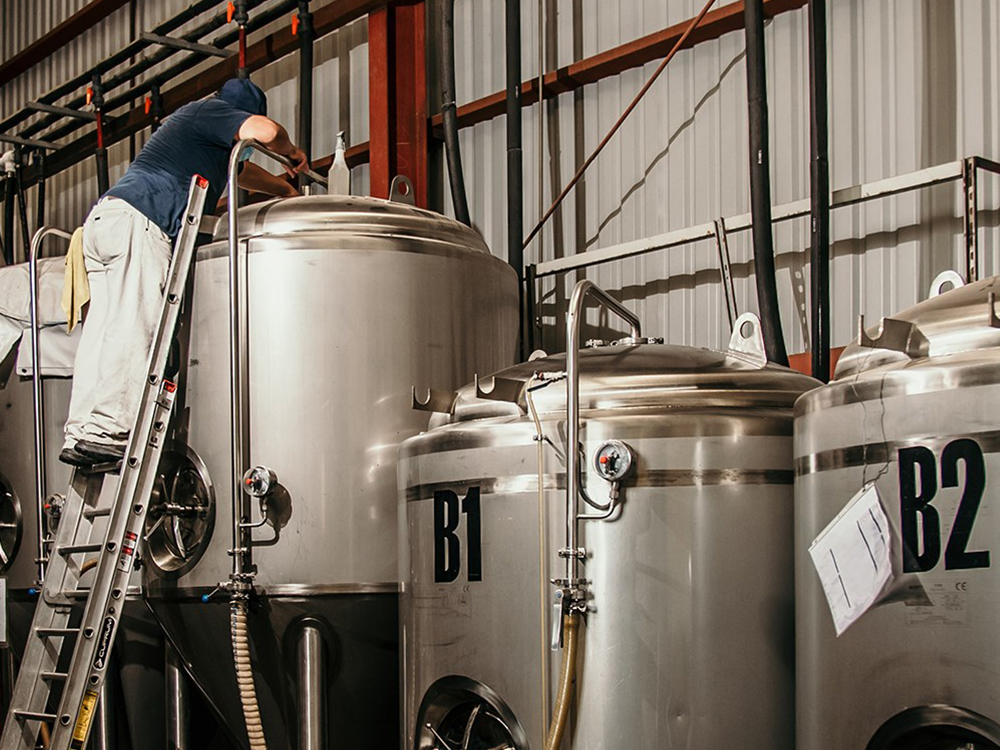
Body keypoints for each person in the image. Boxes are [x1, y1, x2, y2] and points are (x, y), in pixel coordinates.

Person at [59, 78, 307, 467]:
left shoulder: (198, 134)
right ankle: (110, 429)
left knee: (103, 331)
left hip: (108, 219)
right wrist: (292, 153)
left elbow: (240, 174)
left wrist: (283, 190)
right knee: (134, 322)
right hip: (144, 220)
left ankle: (82, 432)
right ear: (239, 112)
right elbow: (268, 131)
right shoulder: (209, 111)